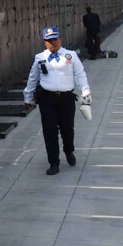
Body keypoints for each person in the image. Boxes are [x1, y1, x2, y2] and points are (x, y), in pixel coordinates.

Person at [24, 26, 91, 175]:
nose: (53, 42)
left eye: (55, 39)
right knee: (49, 132)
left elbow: (80, 75)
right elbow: (33, 78)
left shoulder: (70, 55)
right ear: (45, 42)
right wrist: (27, 97)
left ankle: (68, 151)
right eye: (49, 40)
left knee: (67, 130)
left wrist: (85, 92)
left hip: (66, 98)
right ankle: (54, 162)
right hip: (47, 99)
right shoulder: (39, 57)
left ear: (60, 39)